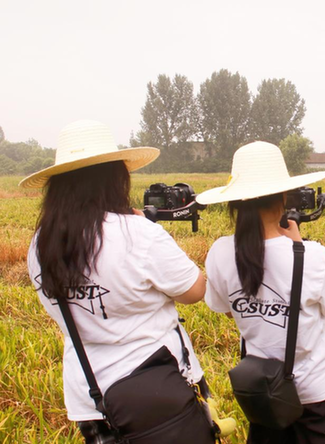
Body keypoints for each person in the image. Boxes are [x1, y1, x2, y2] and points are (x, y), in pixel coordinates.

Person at [21, 120, 211, 443]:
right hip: (159, 394)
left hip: (91, 400)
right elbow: (196, 289)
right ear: (114, 178)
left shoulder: (40, 244)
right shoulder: (136, 233)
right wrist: (150, 230)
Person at [198, 141, 325, 444]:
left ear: (235, 203)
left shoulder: (219, 252)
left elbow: (224, 307)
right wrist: (299, 245)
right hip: (318, 388)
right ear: (282, 198)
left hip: (262, 389)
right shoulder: (310, 255)